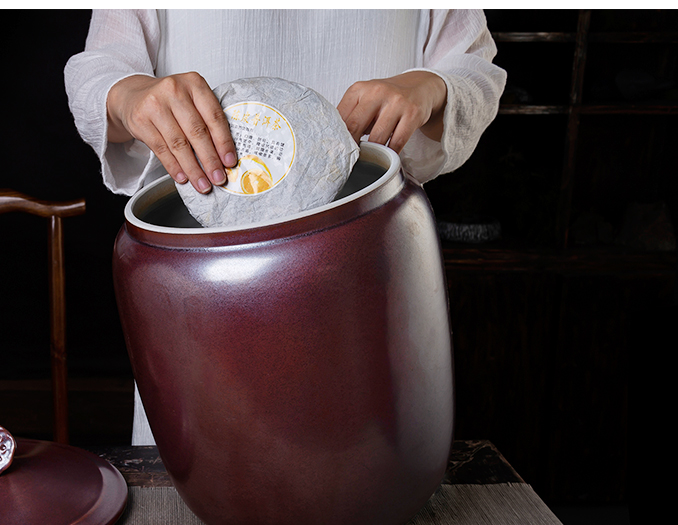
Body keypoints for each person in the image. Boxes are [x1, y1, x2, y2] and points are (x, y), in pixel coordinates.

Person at [64, 9, 507, 445]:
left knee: (369, 462)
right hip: (204, 278)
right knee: (203, 464)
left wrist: (433, 86)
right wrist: (128, 96)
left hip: (371, 256)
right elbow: (97, 69)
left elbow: (476, 68)